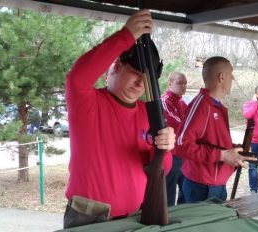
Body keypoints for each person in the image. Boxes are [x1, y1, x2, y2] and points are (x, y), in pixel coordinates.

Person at [63, 9, 176, 228]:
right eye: (136, 73)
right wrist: (125, 36)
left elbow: (163, 167)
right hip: (91, 216)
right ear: (116, 66)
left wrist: (165, 146)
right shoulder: (88, 102)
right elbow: (77, 77)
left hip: (137, 213)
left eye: (147, 79)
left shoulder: (148, 111)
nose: (140, 83)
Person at [174, 56, 257, 203]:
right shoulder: (201, 106)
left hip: (216, 186)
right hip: (200, 188)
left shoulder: (217, 107)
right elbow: (180, 144)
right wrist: (222, 156)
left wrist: (236, 151)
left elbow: (214, 142)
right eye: (231, 74)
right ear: (222, 77)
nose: (233, 78)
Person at [161, 72, 187, 206]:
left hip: (184, 154)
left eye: (185, 83)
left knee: (185, 190)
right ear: (170, 84)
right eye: (180, 83)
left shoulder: (182, 103)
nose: (183, 86)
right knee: (169, 192)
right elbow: (176, 124)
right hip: (171, 154)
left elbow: (191, 121)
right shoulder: (164, 101)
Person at [242, 86, 258, 193]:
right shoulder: (248, 104)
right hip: (252, 143)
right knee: (253, 168)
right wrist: (254, 103)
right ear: (255, 94)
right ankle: (254, 190)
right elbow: (248, 115)